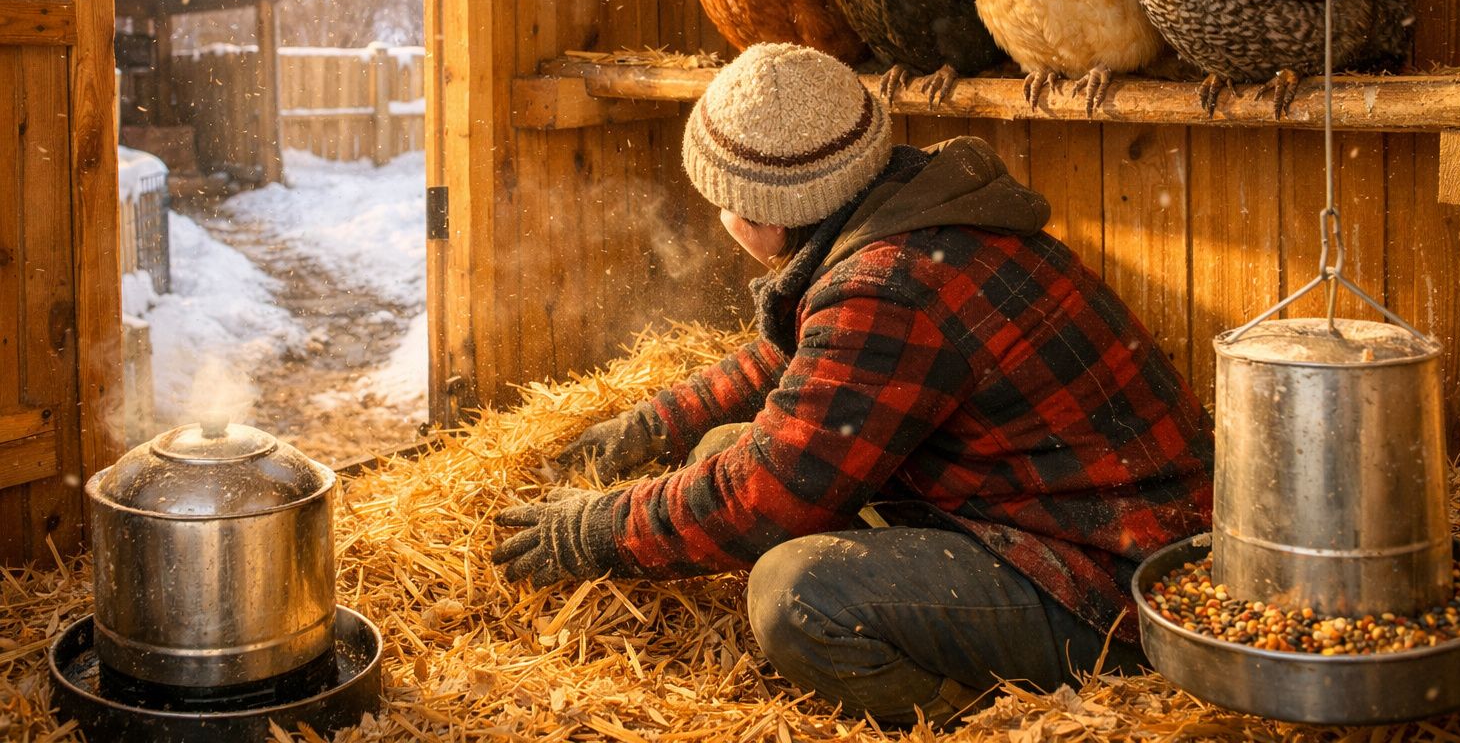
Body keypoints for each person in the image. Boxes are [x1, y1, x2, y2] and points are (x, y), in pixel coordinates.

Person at [493, 42, 1214, 726]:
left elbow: (764, 500)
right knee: (720, 444)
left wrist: (594, 531)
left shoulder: (888, 288)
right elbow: (793, 363)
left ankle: (972, 719)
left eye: (720, 200)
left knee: (797, 594)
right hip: (1044, 524)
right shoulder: (910, 212)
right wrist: (651, 427)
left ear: (759, 218)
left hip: (1110, 591)